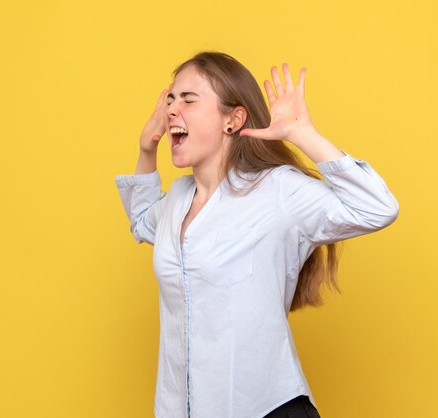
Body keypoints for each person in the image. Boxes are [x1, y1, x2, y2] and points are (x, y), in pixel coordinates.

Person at [115, 51, 399, 418]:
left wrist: (303, 134)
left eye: (188, 99)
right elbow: (140, 219)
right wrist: (146, 147)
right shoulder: (176, 203)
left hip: (267, 408)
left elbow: (377, 206)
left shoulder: (275, 192)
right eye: (170, 99)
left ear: (232, 120)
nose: (171, 110)